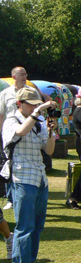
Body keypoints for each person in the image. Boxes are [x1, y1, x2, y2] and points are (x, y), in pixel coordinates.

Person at [2, 87, 57, 263]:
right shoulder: (11, 121)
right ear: (19, 104)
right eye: (31, 104)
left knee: (37, 225)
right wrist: (38, 112)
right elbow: (20, 132)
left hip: (40, 178)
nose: (36, 107)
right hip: (22, 178)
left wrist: (51, 130)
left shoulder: (39, 122)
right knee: (24, 226)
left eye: (37, 103)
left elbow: (49, 150)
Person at [0, 66, 30, 210]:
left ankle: (28, 194)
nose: (24, 76)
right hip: (10, 133)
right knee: (9, 164)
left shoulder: (31, 92)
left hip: (28, 132)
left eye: (25, 74)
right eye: (21, 74)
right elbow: (1, 114)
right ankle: (11, 198)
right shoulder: (5, 93)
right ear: (14, 77)